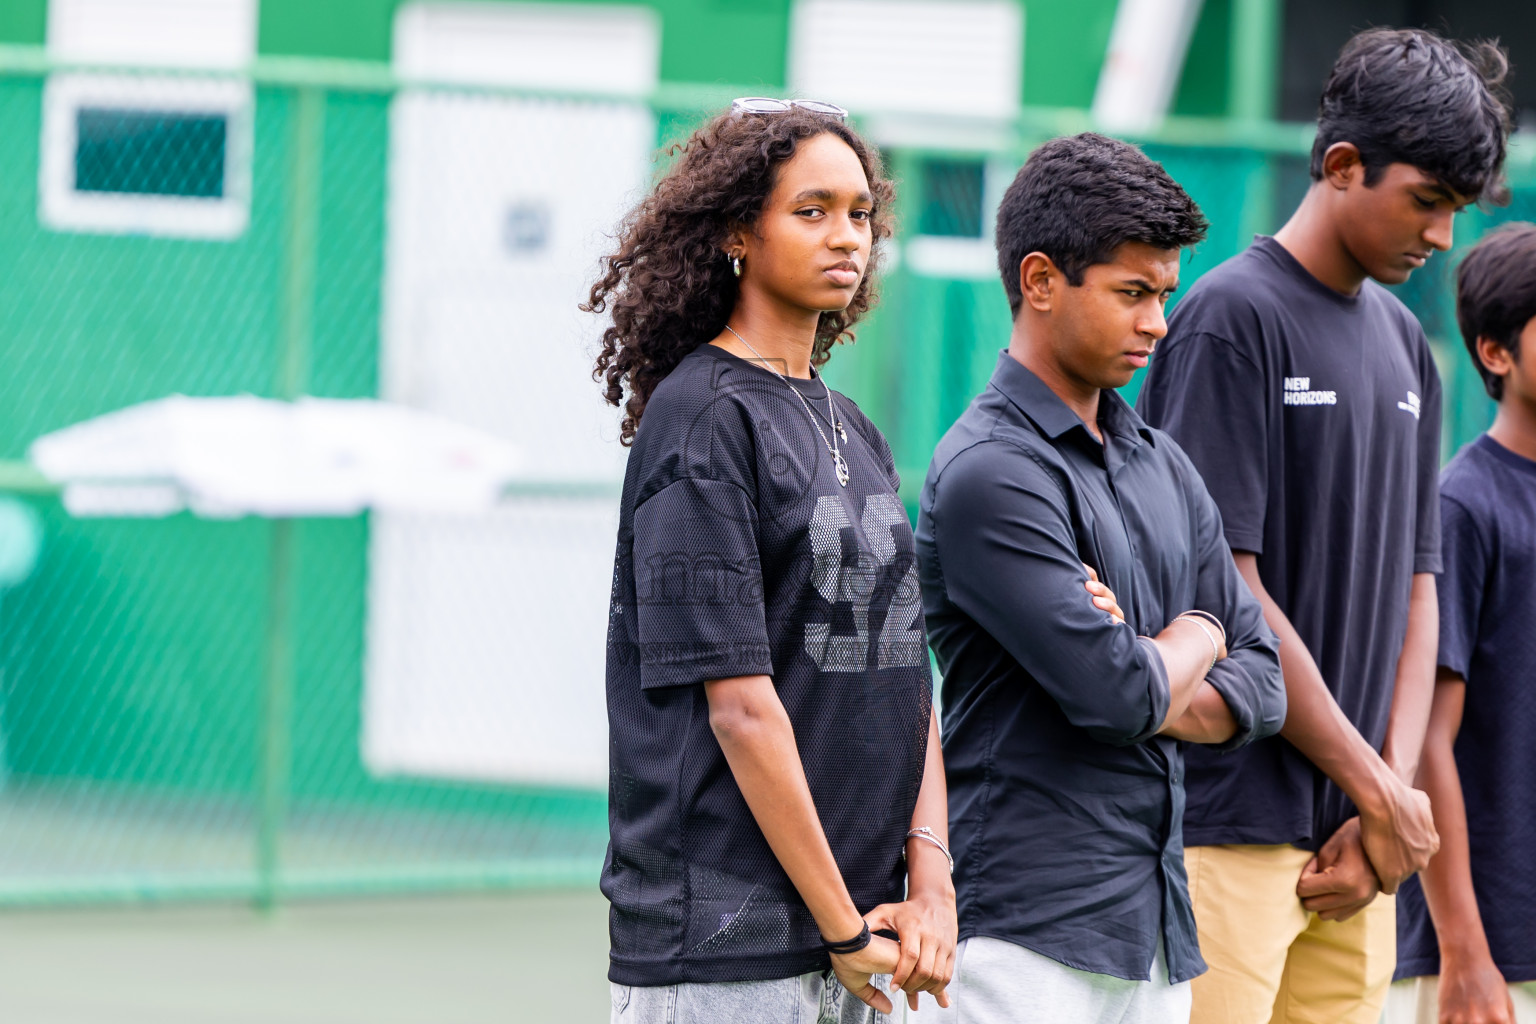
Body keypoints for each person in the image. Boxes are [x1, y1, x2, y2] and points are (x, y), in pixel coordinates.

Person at [1136, 28, 1513, 1024]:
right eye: (1426, 201)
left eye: (1455, 213)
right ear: (1344, 167)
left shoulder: (1408, 346)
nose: (1440, 237)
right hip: (1229, 827)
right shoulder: (1229, 319)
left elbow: (1418, 587)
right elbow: (1224, 587)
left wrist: (1383, 806)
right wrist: (1381, 788)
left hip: (1359, 851)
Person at [588, 99, 957, 1024]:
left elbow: (907, 675)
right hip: (729, 951)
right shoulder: (703, 419)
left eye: (861, 214)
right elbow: (742, 709)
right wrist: (842, 932)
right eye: (813, 210)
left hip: (864, 936)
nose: (848, 237)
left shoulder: (852, 425)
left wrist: (931, 881)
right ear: (736, 235)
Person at [913, 132, 1286, 1024]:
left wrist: (1149, 659)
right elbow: (1120, 695)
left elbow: (1266, 683)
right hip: (1021, 941)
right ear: (1040, 281)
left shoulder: (1162, 463)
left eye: (1164, 294)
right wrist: (1198, 634)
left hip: (1155, 936)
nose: (1158, 322)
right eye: (1133, 293)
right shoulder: (991, 472)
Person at [1384, 223, 1536, 1024]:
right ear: (1496, 353)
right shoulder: (1463, 503)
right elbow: (1428, 742)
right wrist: (1464, 952)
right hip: (1491, 956)